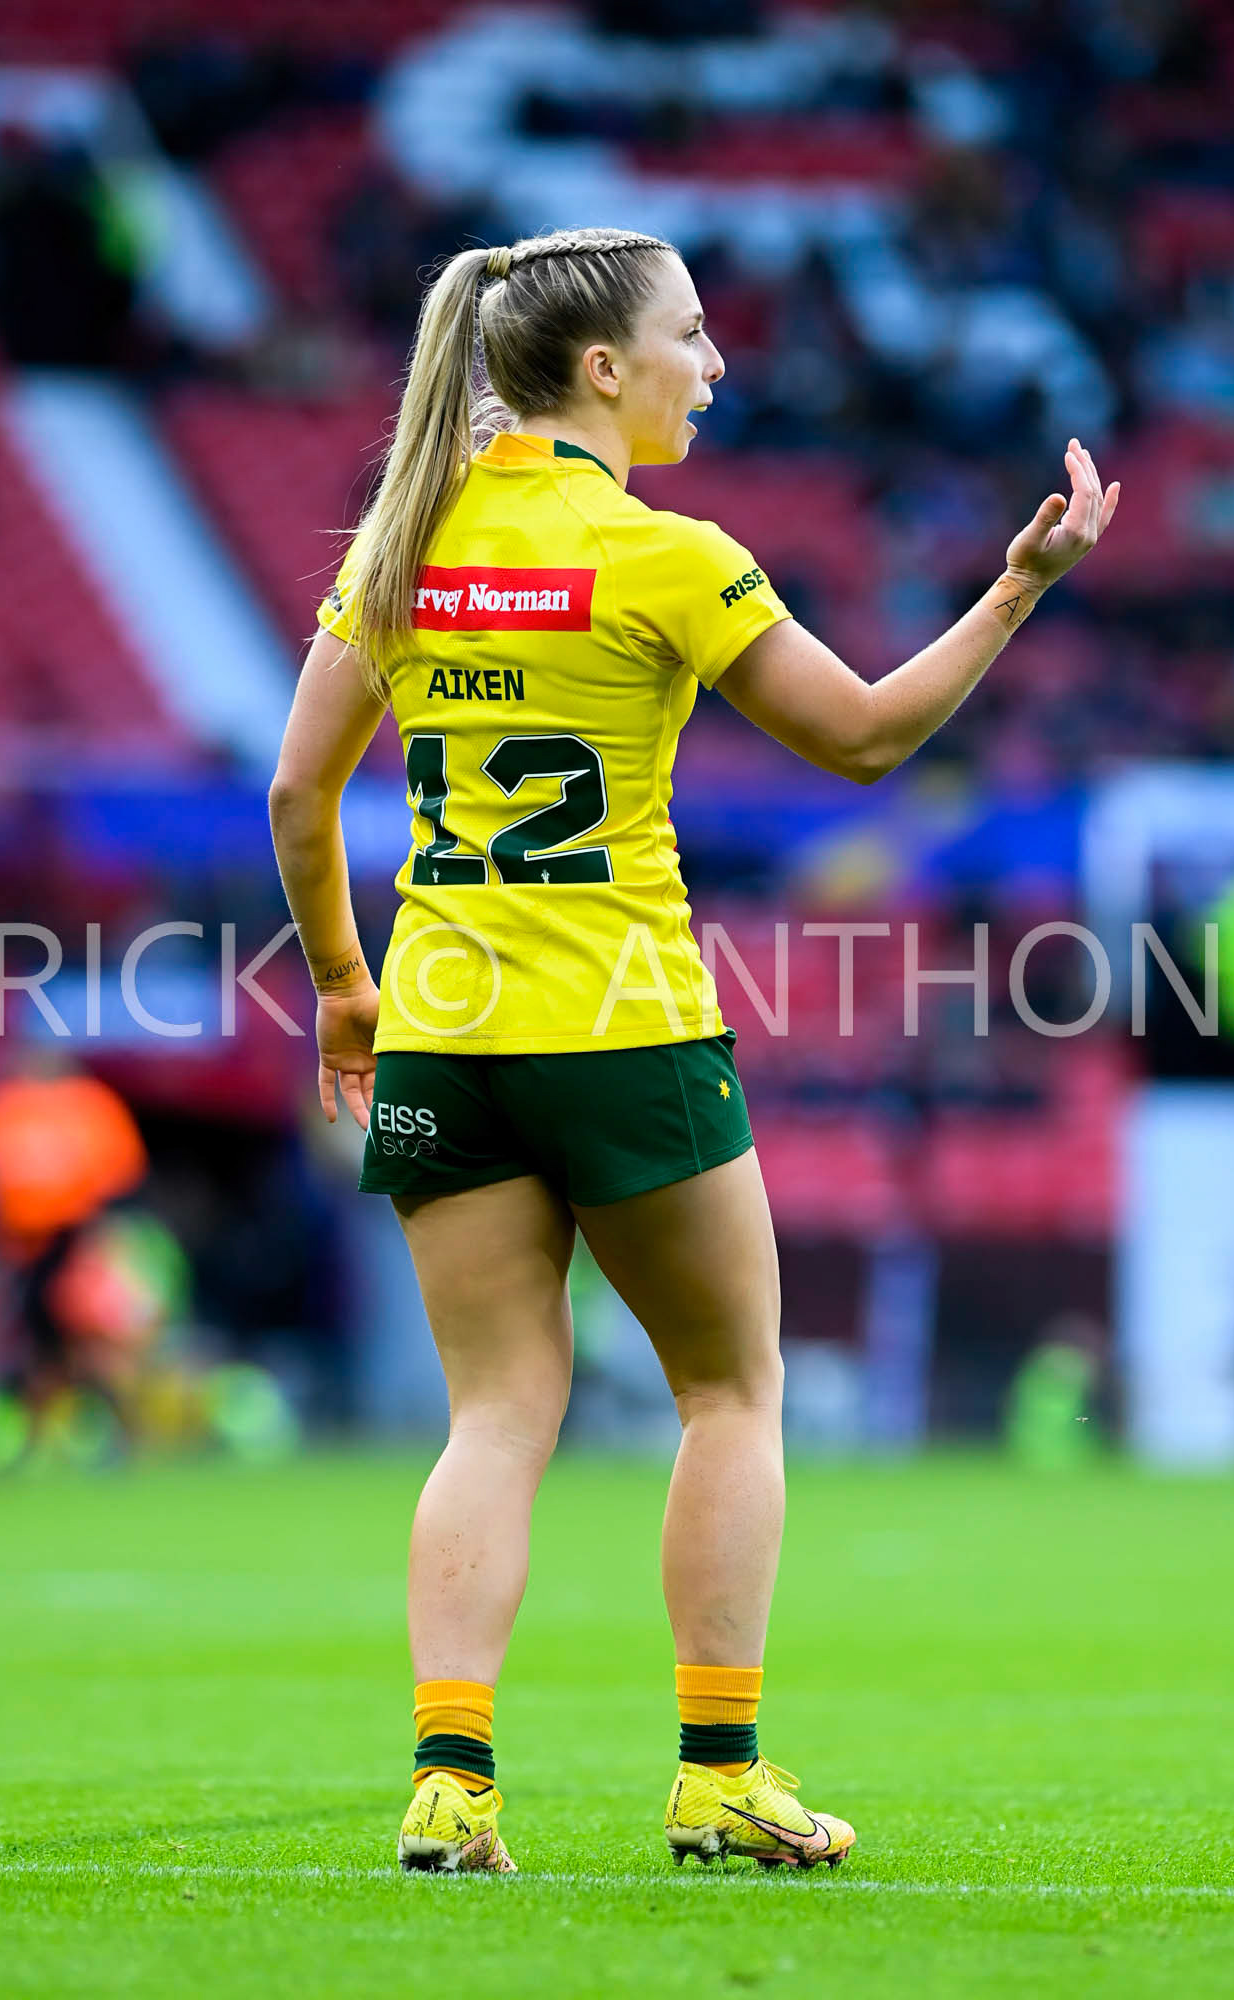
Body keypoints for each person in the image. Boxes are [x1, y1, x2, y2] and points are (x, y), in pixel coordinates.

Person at [268, 225, 1118, 1874]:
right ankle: (717, 1774)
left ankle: (451, 1786)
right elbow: (862, 735)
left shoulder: (403, 547)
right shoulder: (668, 553)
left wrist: (344, 986)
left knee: (495, 1414)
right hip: (625, 1023)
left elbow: (301, 794)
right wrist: (1019, 584)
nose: (711, 369)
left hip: (443, 1031)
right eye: (691, 338)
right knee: (729, 1389)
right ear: (602, 368)